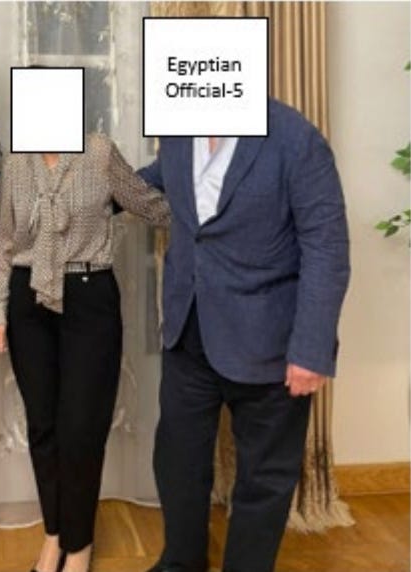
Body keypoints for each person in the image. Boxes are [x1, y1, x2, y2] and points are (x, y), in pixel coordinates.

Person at [136, 98, 350, 572]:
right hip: (189, 332)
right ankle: (181, 562)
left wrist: (311, 349)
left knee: (264, 479)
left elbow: (326, 247)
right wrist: (94, 178)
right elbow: (159, 178)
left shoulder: (297, 139)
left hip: (269, 342)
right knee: (177, 461)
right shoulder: (179, 128)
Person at [0, 133, 170, 572]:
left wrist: (205, 202)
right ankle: (54, 535)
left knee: (82, 430)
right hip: (28, 299)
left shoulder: (99, 152)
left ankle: (79, 542)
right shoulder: (19, 161)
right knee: (43, 425)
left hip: (90, 297)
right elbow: (5, 242)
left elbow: (150, 205)